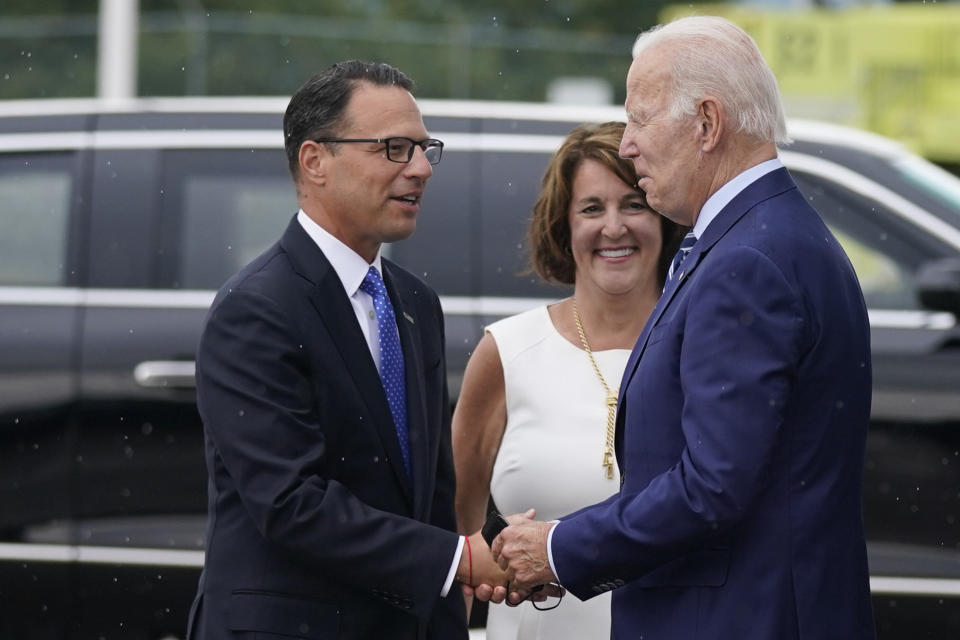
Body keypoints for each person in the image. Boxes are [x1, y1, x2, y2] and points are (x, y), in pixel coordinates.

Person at [488, 16, 876, 640]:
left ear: (706, 123)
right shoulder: (765, 235)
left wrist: (561, 548)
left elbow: (713, 486)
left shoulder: (748, 258)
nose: (629, 144)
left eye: (640, 118)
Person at [185, 60, 505, 640]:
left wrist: (484, 563)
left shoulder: (414, 303)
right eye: (394, 148)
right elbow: (290, 503)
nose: (421, 169)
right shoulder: (256, 308)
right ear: (315, 161)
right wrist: (456, 560)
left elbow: (429, 492)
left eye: (424, 148)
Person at [452, 121, 683, 639]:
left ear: (666, 220)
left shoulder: (699, 352)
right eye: (592, 208)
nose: (615, 227)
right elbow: (456, 547)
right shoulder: (506, 353)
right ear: (564, 225)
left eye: (634, 204)